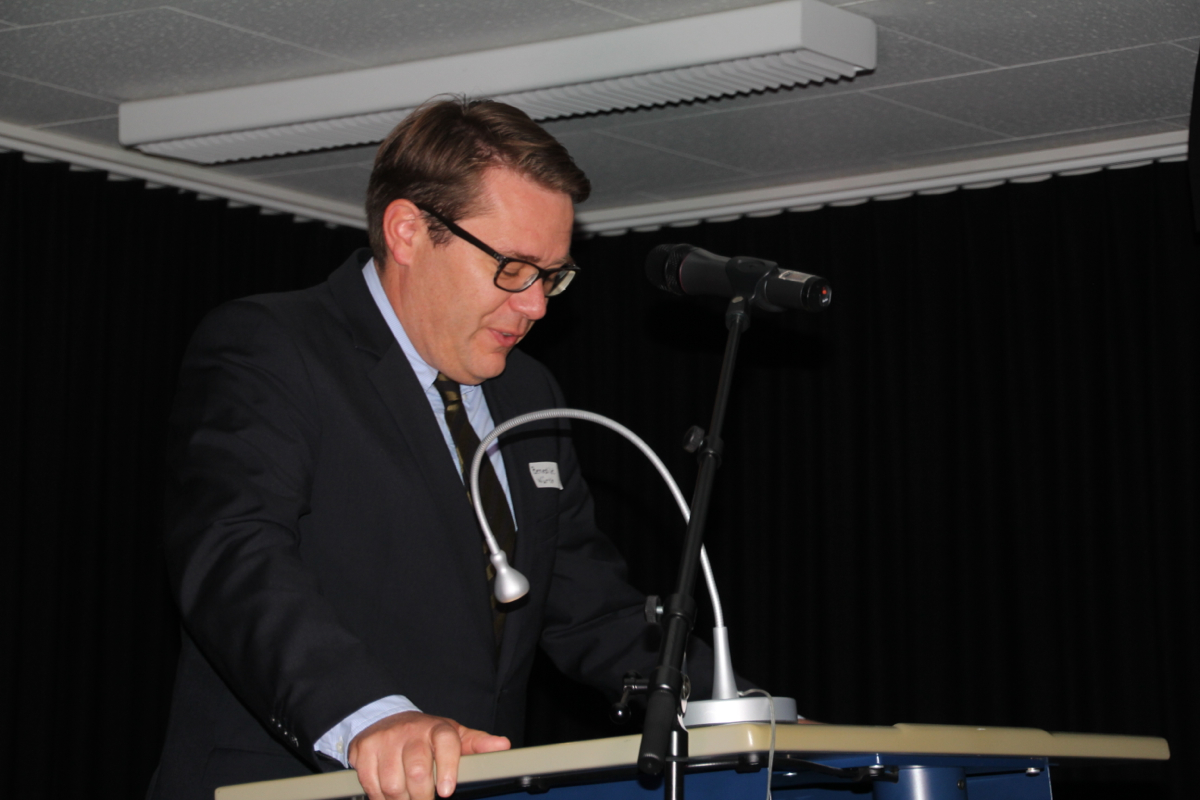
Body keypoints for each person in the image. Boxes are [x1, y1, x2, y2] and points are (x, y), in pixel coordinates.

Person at [148, 98, 725, 800]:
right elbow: (234, 556)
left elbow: (590, 608)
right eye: (513, 267)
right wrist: (370, 718)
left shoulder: (531, 392)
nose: (537, 305)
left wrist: (734, 710)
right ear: (409, 232)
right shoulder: (274, 346)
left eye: (552, 275)